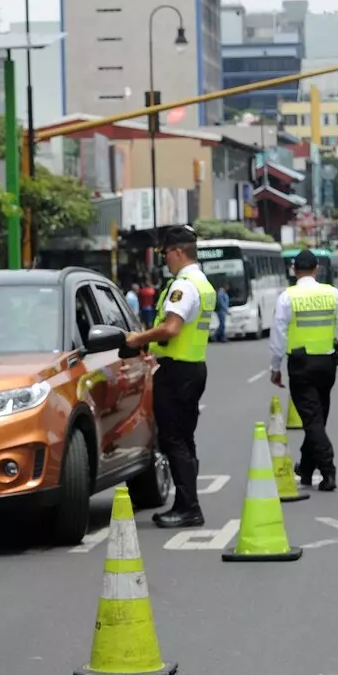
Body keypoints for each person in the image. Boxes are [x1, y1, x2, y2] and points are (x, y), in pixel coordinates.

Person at [125, 225, 216, 528]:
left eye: (166, 254)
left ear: (178, 251)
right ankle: (186, 502)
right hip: (192, 367)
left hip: (177, 373)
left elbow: (171, 328)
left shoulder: (184, 285)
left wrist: (138, 339)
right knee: (184, 440)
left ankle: (189, 507)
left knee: (173, 439)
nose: (165, 260)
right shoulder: (203, 283)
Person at [269, 250, 338, 492]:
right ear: (316, 268)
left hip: (301, 365)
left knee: (312, 420)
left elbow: (278, 337)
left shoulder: (288, 297)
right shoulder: (331, 293)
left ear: (294, 270)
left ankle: (328, 470)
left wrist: (275, 368)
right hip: (327, 364)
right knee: (316, 418)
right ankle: (307, 468)